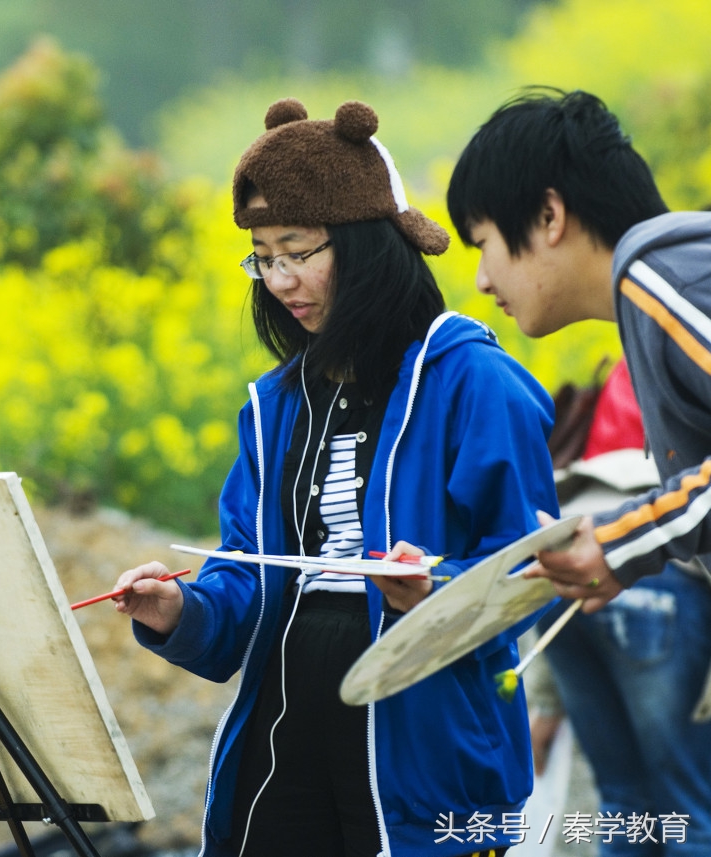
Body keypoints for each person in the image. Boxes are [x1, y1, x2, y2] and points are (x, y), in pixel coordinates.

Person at [112, 98, 558, 857]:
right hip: (286, 734)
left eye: (298, 249)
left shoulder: (473, 381)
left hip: (427, 737)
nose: (280, 279)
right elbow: (246, 579)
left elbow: (534, 568)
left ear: (365, 242)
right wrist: (178, 608)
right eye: (262, 254)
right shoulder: (276, 406)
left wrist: (435, 586)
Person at [446, 88, 711, 617]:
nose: (480, 281)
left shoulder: (663, 281)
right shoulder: (663, 284)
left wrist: (623, 543)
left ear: (549, 215)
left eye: (482, 243)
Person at [534, 359, 711, 856]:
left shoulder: (634, 357)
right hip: (659, 575)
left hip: (568, 561)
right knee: (691, 810)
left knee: (622, 801)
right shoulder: (690, 348)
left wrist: (545, 702)